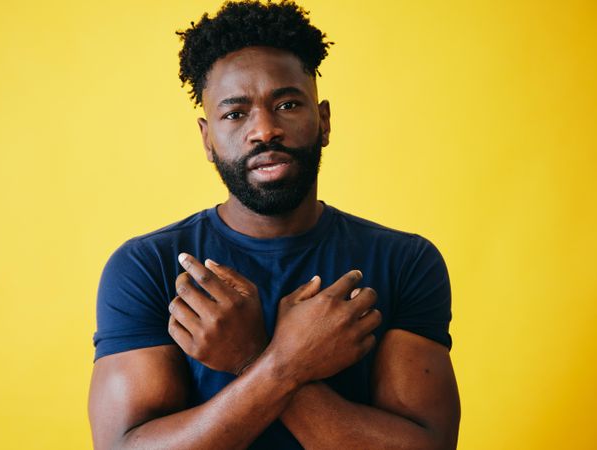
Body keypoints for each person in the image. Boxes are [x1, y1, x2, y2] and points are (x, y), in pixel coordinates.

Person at [88, 1, 460, 449]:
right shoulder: (146, 266)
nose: (264, 130)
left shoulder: (406, 261)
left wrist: (250, 357)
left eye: (286, 104)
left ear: (323, 121)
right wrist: (282, 362)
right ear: (207, 139)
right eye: (235, 113)